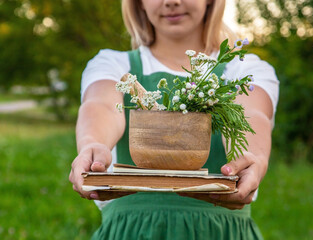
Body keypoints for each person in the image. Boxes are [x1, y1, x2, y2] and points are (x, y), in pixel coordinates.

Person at [68, 0, 278, 238]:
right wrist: (92, 145)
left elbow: (252, 115)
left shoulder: (244, 70)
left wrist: (252, 160)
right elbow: (102, 106)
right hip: (132, 232)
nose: (171, 2)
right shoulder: (113, 64)